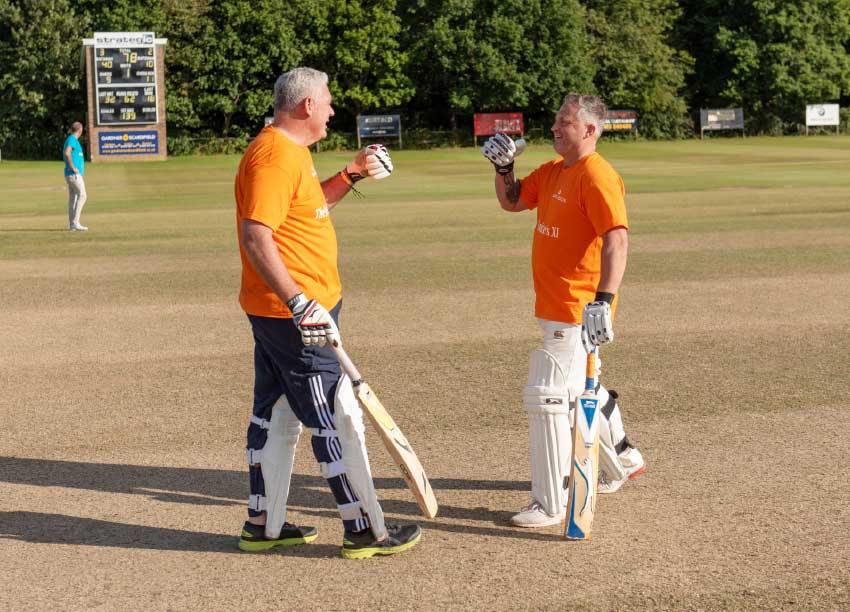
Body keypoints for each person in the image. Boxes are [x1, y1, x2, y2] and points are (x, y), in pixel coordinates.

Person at [234, 67, 421, 558]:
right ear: (307, 107)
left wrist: (353, 173)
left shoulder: (291, 153)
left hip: (286, 310)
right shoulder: (275, 157)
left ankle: (263, 524)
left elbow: (310, 207)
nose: (334, 110)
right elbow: (258, 235)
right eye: (329, 101)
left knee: (274, 415)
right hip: (296, 315)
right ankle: (364, 528)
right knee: (336, 415)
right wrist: (299, 302)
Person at [481, 93, 646, 528]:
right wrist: (504, 170)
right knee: (581, 389)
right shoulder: (555, 171)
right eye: (556, 120)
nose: (554, 128)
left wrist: (604, 302)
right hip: (553, 304)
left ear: (589, 131)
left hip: (579, 307)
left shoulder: (597, 176)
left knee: (550, 395)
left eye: (564, 123)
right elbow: (513, 201)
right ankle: (625, 458)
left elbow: (617, 240)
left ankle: (551, 501)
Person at [63, 122, 88, 231]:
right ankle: (75, 222)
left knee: (73, 198)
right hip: (73, 174)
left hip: (71, 174)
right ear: (80, 130)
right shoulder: (72, 139)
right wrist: (73, 167)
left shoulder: (72, 139)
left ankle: (72, 224)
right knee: (82, 195)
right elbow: (67, 153)